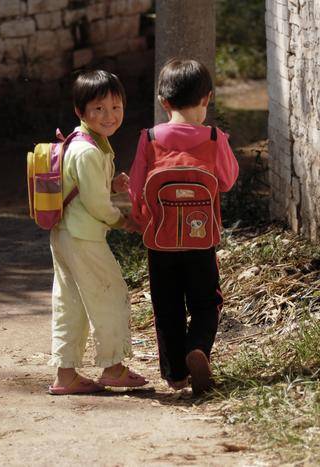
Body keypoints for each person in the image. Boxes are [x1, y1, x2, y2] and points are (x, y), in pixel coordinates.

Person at [128, 58, 239, 395]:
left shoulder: (148, 138)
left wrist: (141, 220)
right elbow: (228, 180)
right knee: (207, 302)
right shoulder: (213, 137)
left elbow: (136, 189)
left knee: (167, 306)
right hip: (200, 241)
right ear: (207, 98)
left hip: (160, 243)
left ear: (164, 102)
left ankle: (176, 374)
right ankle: (198, 349)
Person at [47, 70, 148, 395]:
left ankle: (66, 375)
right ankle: (114, 366)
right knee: (110, 294)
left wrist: (111, 184)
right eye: (99, 109)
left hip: (65, 235)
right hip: (84, 237)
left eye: (116, 107)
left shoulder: (82, 142)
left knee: (70, 301)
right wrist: (125, 221)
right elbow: (96, 206)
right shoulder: (89, 151)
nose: (110, 116)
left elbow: (84, 187)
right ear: (81, 112)